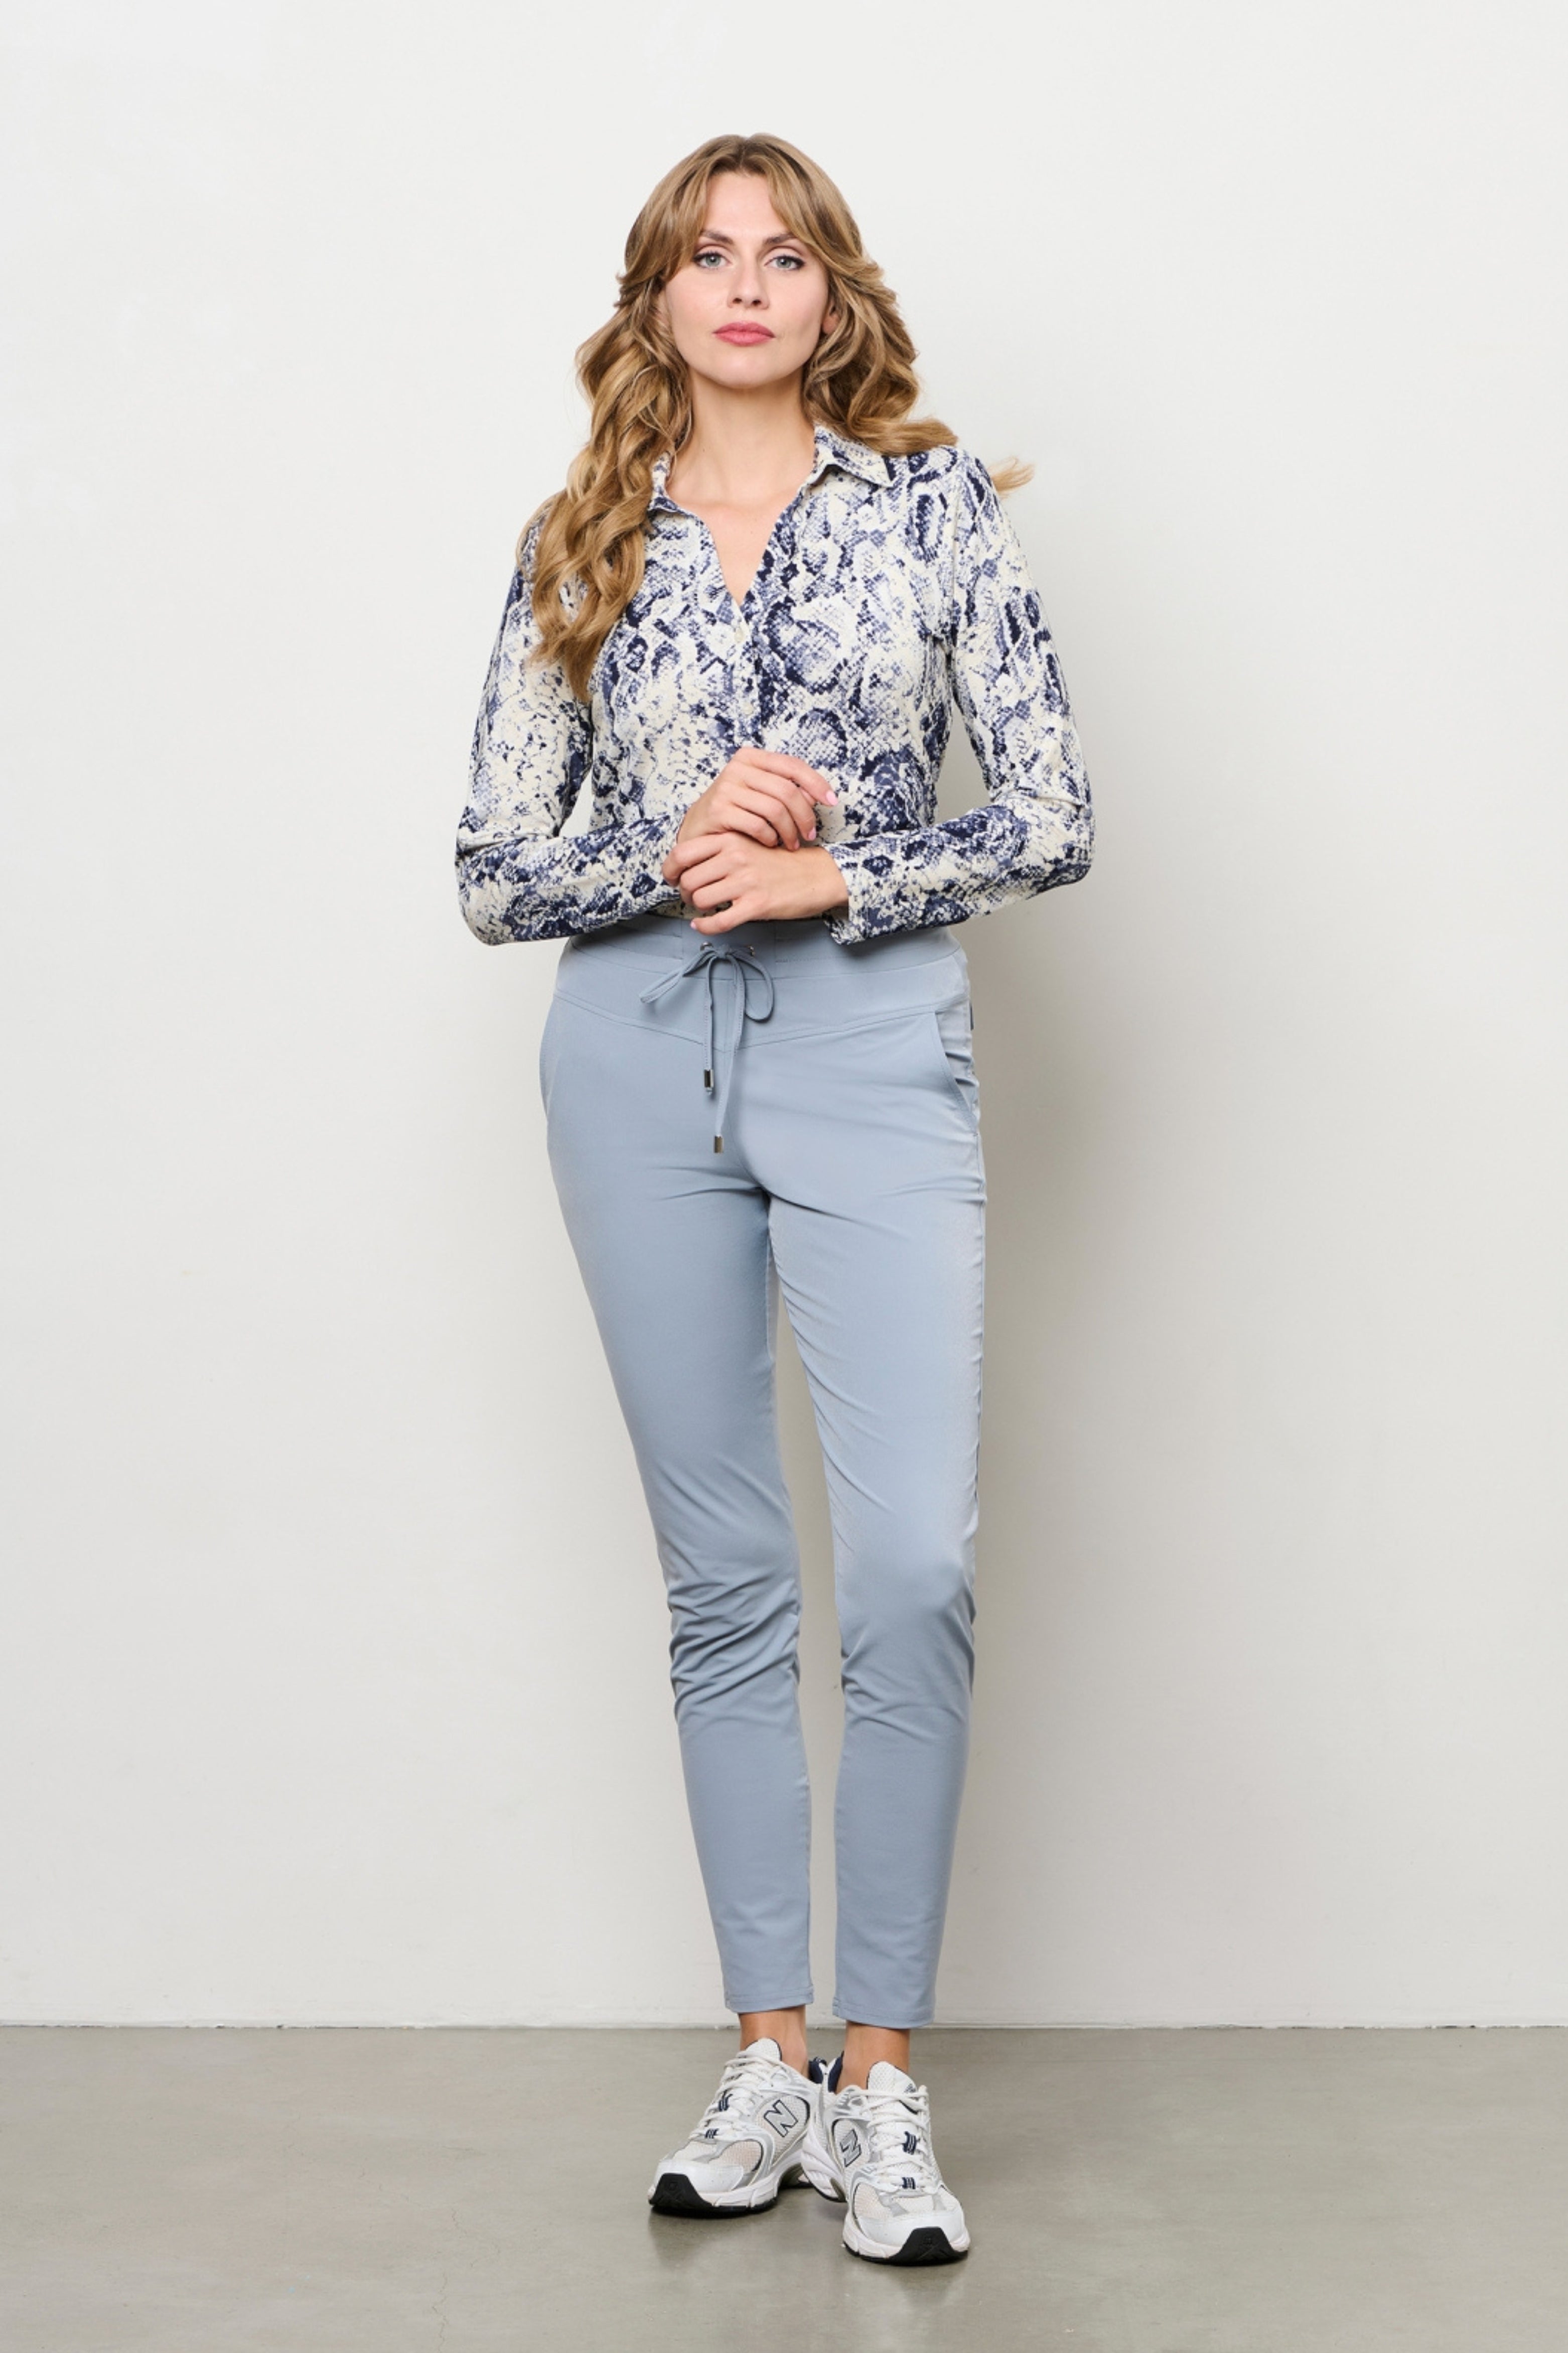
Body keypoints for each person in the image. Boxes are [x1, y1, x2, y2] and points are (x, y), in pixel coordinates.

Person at [456, 132, 1092, 2267]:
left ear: (834, 295)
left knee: (906, 1563)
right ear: (657, 296)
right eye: (707, 254)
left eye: (785, 252)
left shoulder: (929, 507)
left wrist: (837, 870)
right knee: (724, 1577)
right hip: (633, 1057)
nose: (745, 283)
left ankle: (881, 2084)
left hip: (866, 1038)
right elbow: (489, 873)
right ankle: (767, 2060)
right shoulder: (578, 536)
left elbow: (1054, 810)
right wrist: (670, 839)